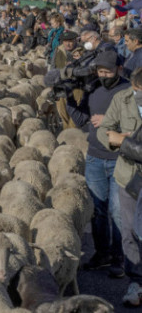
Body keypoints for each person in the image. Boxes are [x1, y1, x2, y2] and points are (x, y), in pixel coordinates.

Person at [66, 50, 127, 279]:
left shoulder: (129, 90)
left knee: (118, 211)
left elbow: (137, 123)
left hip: (120, 158)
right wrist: (69, 98)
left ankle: (119, 258)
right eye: (100, 71)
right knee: (98, 210)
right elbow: (82, 120)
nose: (103, 75)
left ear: (119, 69)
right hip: (94, 157)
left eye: (108, 71)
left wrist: (110, 121)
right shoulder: (93, 88)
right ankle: (102, 254)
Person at [97, 67, 142, 305]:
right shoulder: (122, 99)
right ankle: (136, 283)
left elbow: (122, 139)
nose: (137, 96)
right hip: (128, 177)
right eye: (136, 91)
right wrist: (112, 139)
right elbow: (105, 130)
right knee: (129, 231)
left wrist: (124, 140)